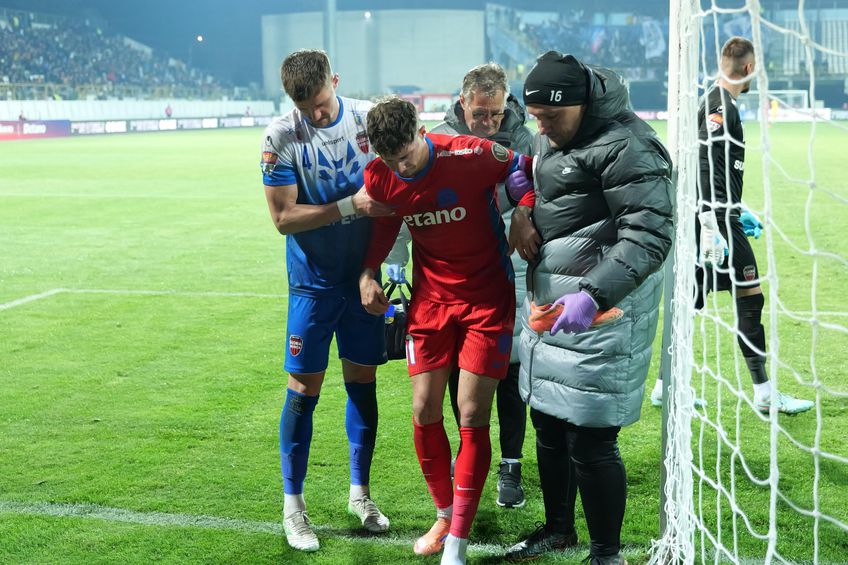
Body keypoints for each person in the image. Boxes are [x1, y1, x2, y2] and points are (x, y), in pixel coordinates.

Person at [506, 51, 674, 564]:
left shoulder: (629, 145)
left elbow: (648, 234)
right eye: (536, 116)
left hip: (602, 314)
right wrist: (523, 210)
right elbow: (541, 184)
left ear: (579, 102)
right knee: (550, 425)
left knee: (591, 439)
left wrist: (594, 294)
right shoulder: (553, 131)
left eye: (550, 115)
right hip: (552, 308)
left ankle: (606, 554)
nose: (541, 125)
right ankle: (559, 529)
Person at [358, 96, 533, 565]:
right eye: (392, 160)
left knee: (472, 413)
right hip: (430, 303)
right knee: (422, 408)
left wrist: (523, 210)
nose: (403, 166)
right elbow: (384, 220)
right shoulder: (381, 174)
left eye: (408, 154)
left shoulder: (469, 153)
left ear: (421, 130)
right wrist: (369, 272)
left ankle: (456, 541)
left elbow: (523, 168)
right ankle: (444, 513)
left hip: (486, 300)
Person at [261, 49, 395, 553]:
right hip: (313, 284)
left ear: (334, 81)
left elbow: (402, 179)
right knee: (304, 387)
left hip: (363, 279)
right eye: (305, 107)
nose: (315, 116)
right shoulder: (279, 137)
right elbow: (283, 219)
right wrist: (348, 205)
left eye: (320, 103)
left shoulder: (366, 119)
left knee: (362, 380)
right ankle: (293, 507)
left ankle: (360, 494)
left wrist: (380, 267)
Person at [649, 37, 813, 415]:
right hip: (714, 220)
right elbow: (706, 161)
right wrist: (713, 221)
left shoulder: (715, 100)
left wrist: (740, 207)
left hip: (713, 214)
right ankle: (766, 393)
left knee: (688, 304)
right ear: (749, 68)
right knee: (750, 297)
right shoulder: (721, 106)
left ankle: (664, 386)